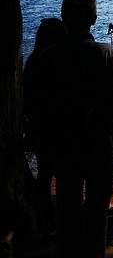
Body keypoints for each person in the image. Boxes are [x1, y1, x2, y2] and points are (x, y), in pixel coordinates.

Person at [28, 0, 113, 258]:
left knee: (67, 215)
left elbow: (40, 105)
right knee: (97, 214)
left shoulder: (47, 58)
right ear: (94, 17)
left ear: (64, 17)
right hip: (98, 145)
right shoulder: (108, 55)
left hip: (62, 144)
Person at [23, 17, 68, 229]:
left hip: (40, 125)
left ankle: (46, 213)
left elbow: (27, 97)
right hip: (61, 125)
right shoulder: (61, 61)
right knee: (64, 172)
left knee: (44, 171)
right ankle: (64, 213)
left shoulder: (33, 62)